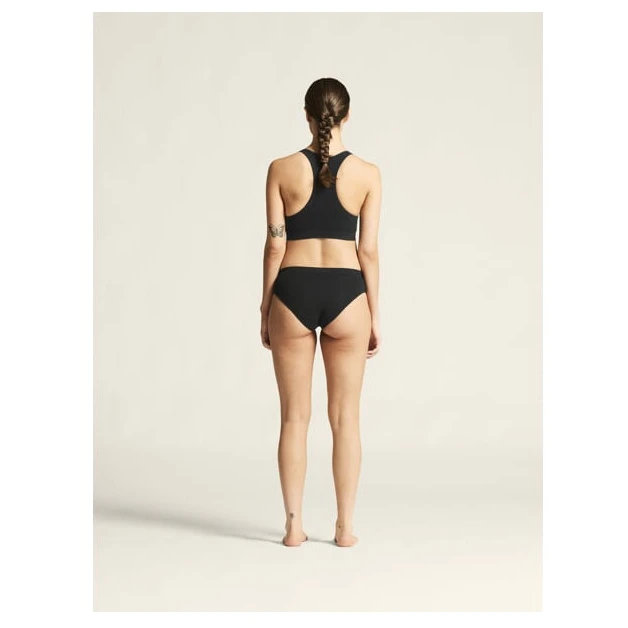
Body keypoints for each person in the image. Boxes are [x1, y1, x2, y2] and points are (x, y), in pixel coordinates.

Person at [259, 77, 382, 548]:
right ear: (346, 116)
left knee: (294, 418)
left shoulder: (280, 169)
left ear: (307, 116)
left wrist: (266, 306)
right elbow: (368, 251)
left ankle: (293, 527)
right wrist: (374, 314)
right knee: (346, 418)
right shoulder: (368, 174)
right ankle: (344, 528)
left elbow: (275, 245)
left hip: (292, 290)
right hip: (348, 294)